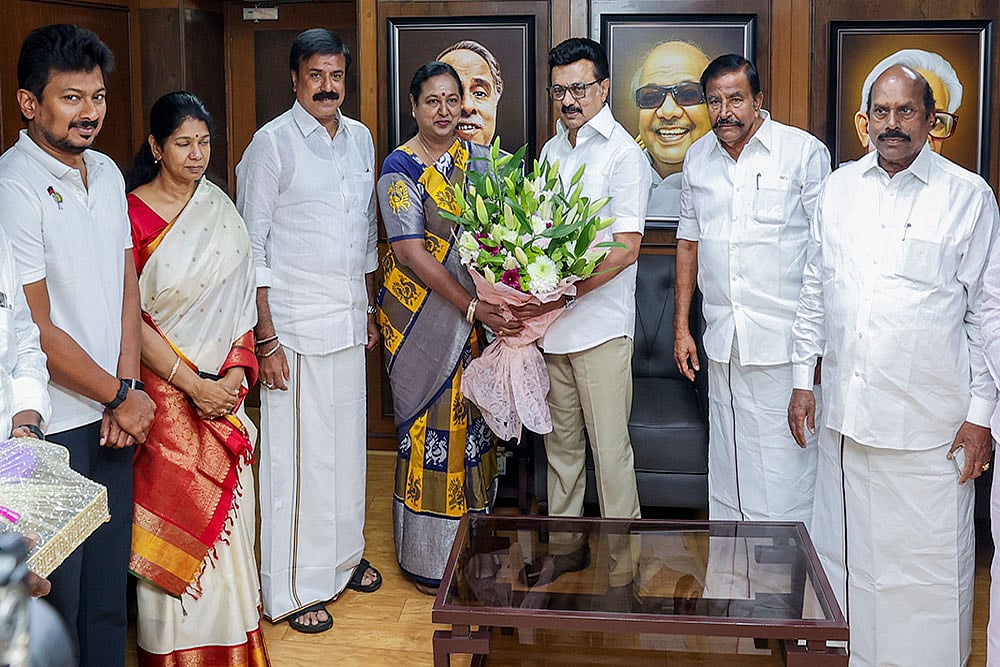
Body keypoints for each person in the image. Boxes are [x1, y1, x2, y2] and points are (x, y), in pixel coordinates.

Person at [788, 64, 997, 666]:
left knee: (927, 569)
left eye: (906, 111)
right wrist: (804, 380)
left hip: (929, 428)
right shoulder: (838, 190)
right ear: (864, 122)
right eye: (881, 111)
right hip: (848, 422)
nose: (892, 124)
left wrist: (981, 416)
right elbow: (814, 291)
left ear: (933, 121)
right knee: (849, 561)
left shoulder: (967, 196)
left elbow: (987, 317)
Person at [0, 24, 155, 666]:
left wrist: (128, 389)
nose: (90, 112)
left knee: (105, 596)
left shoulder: (110, 172)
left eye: (97, 96)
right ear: (29, 103)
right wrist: (117, 393)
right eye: (71, 98)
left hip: (113, 413)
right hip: (46, 428)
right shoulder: (14, 184)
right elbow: (31, 328)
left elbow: (126, 283)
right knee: (52, 601)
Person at [236, 27, 381, 634]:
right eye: (316, 75)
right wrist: (264, 339)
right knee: (295, 462)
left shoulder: (360, 139)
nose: (328, 87)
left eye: (336, 75)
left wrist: (369, 309)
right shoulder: (271, 145)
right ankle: (291, 588)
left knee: (343, 455)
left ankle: (340, 562)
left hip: (347, 321)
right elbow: (252, 248)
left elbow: (366, 235)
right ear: (294, 78)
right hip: (290, 331)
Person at [124, 92, 268, 666]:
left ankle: (235, 646)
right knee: (173, 511)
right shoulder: (131, 214)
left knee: (231, 532)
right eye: (183, 143)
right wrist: (194, 384)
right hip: (160, 398)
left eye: (204, 142)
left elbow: (239, 307)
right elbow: (127, 319)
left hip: (223, 391)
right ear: (156, 147)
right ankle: (173, 654)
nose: (196, 154)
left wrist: (233, 371)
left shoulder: (220, 209)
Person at [512, 37, 649, 592]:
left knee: (610, 455)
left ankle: (624, 569)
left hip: (600, 329)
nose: (569, 99)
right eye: (560, 90)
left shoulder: (623, 155)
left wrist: (567, 292)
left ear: (604, 88)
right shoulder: (550, 152)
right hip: (552, 332)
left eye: (580, 88)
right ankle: (566, 548)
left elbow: (626, 247)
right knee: (561, 448)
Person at [376, 61, 514, 593]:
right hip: (418, 323)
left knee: (470, 428)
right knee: (428, 429)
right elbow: (410, 253)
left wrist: (495, 303)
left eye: (452, 100)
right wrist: (470, 307)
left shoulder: (478, 160)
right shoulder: (400, 167)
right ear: (414, 107)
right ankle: (429, 558)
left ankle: (473, 544)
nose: (444, 111)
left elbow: (504, 231)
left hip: (476, 321)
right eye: (431, 101)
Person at [674, 54, 830, 524]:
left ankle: (789, 585)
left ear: (759, 100)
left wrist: (817, 345)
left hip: (786, 345)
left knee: (788, 469)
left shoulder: (803, 154)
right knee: (730, 465)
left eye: (736, 99)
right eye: (715, 101)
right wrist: (682, 326)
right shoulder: (697, 157)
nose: (725, 111)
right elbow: (687, 243)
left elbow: (825, 256)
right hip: (723, 341)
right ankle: (733, 580)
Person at [631, 41, 712, 217]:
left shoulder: (738, 176)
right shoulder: (618, 174)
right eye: (651, 97)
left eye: (688, 94)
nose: (667, 112)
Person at [854, 48, 962, 155]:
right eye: (905, 111)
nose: (920, 136)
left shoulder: (955, 173)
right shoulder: (841, 173)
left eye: (936, 122)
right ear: (864, 129)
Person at [438, 40, 503, 145]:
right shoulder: (405, 160)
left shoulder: (518, 162)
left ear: (495, 103)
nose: (467, 106)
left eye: (479, 93)